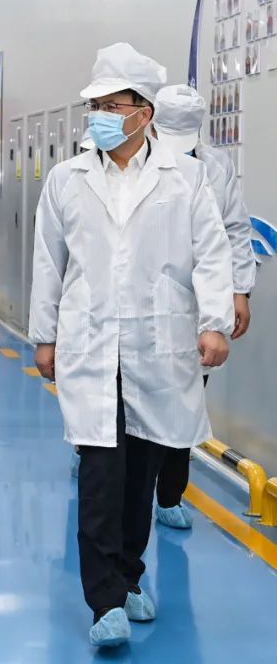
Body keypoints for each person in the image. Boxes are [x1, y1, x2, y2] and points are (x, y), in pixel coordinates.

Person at [30, 42, 233, 648]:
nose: (99, 115)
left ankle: (128, 574)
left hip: (156, 345)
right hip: (91, 346)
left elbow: (212, 254)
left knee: (140, 475)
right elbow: (48, 262)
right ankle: (104, 601)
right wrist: (45, 336)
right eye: (94, 105)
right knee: (100, 475)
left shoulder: (185, 177)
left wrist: (215, 321)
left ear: (143, 113)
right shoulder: (67, 179)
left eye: (111, 105)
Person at [152, 84, 255, 529]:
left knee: (187, 399)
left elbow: (234, 228)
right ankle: (106, 465)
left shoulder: (216, 166)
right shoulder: (130, 163)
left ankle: (169, 494)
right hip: (142, 299)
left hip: (198, 300)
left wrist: (239, 291)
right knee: (133, 397)